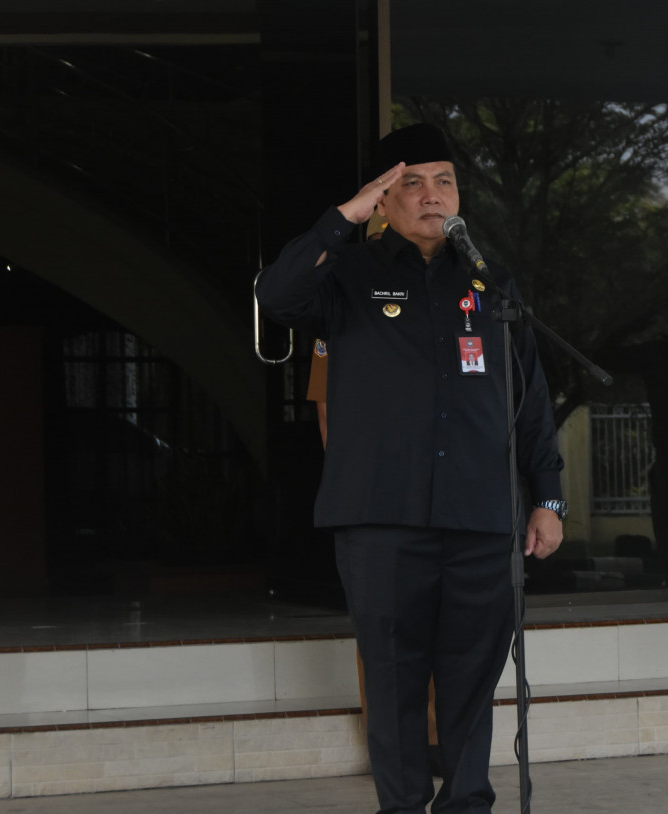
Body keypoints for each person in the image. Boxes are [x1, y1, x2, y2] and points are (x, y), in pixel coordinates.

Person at [256, 122, 566, 812]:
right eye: (411, 183)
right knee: (394, 682)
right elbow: (275, 296)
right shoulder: (346, 276)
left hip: (483, 519)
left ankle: (466, 804)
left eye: (444, 181)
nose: (431, 196)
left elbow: (530, 403)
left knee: (470, 680)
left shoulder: (491, 282)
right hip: (382, 520)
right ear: (384, 198)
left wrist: (548, 499)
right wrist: (342, 219)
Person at [305, 213, 445, 775]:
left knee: (441, 628)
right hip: (377, 496)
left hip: (437, 493)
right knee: (384, 635)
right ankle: (391, 745)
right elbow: (326, 411)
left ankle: (438, 739)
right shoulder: (348, 301)